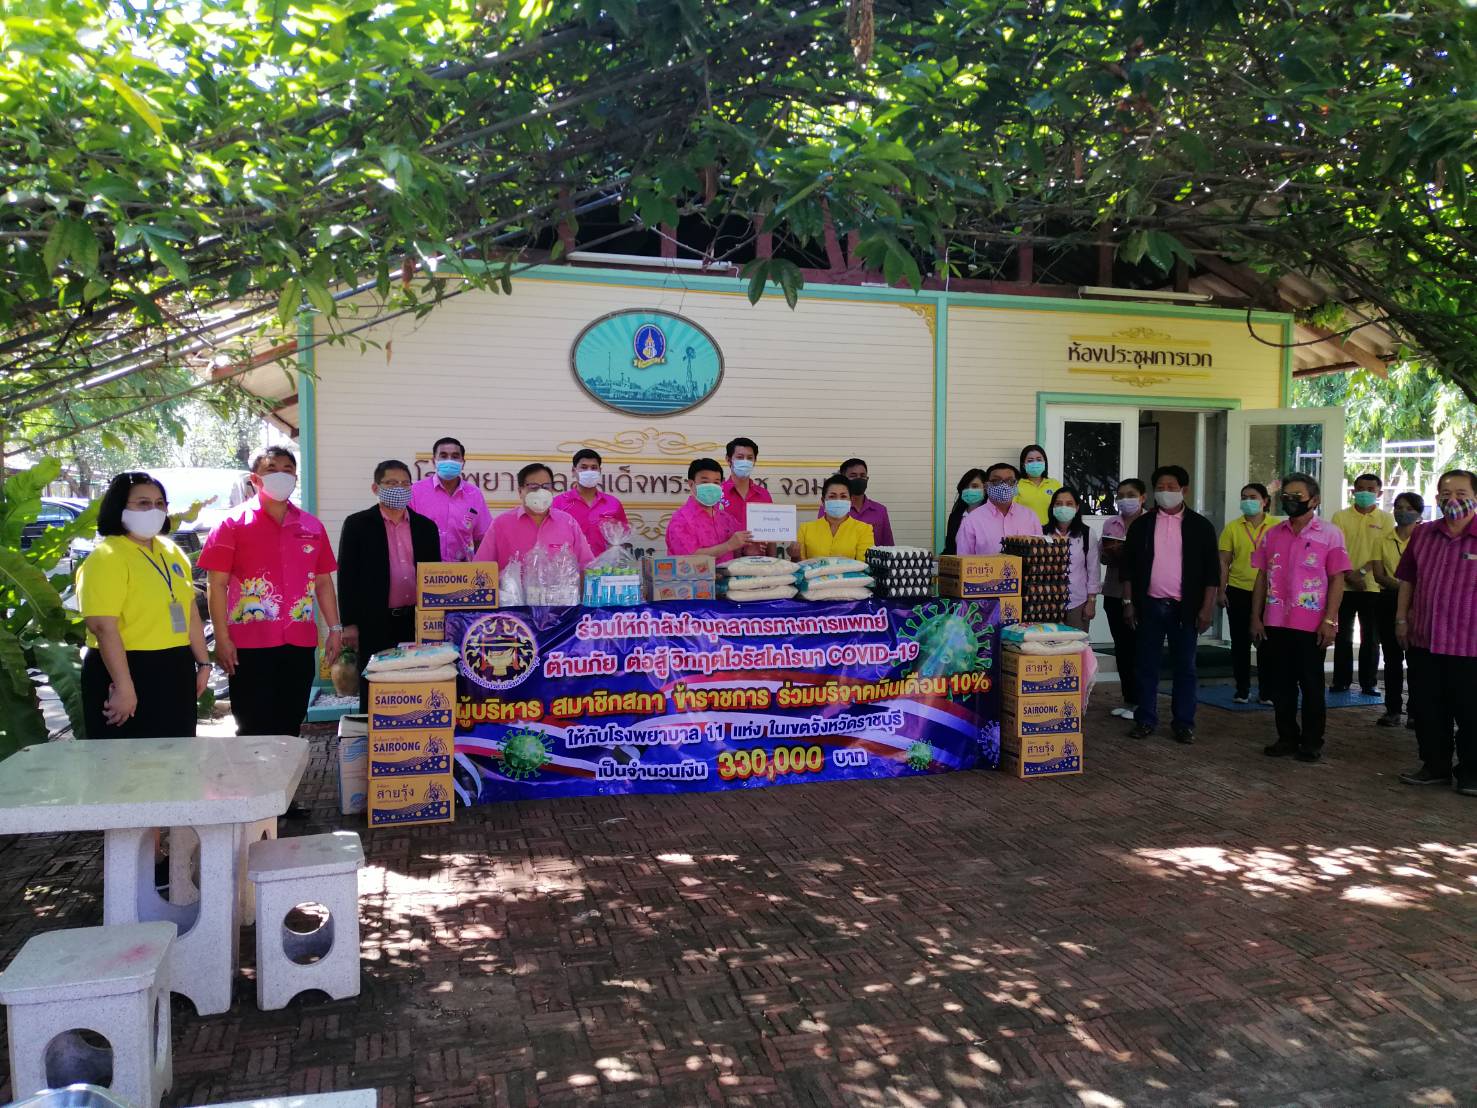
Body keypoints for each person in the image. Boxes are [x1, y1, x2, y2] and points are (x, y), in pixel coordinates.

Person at [199, 446, 342, 749]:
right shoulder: (231, 524)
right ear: (255, 478)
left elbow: (323, 582)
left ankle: (287, 782)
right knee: (253, 726)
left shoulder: (311, 526)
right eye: (271, 469)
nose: (281, 475)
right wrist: (221, 638)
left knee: (290, 723)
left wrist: (335, 629)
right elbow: (217, 585)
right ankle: (254, 781)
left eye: (288, 469)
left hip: (299, 643)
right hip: (249, 646)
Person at [78, 472, 212, 738]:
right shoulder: (106, 556)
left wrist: (204, 664)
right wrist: (124, 686)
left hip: (175, 665)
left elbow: (189, 611)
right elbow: (102, 627)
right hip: (125, 668)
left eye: (160, 503)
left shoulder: (171, 552)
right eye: (143, 503)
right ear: (119, 506)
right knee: (126, 757)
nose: (154, 510)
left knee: (177, 753)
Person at [1251, 474, 1350, 763]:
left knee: (1311, 684)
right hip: (1275, 621)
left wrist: (1330, 621)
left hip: (1311, 624)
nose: (1291, 501)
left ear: (1314, 500)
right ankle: (1286, 737)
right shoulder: (1273, 533)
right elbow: (1262, 576)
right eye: (1287, 496)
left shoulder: (1330, 534)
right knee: (1281, 685)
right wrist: (1255, 617)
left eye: (1297, 496)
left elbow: (1338, 579)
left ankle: (1311, 742)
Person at [1120, 465, 1219, 744]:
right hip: (1149, 606)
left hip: (1185, 608)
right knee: (1146, 665)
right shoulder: (1142, 525)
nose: (1165, 492)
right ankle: (1145, 719)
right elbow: (1128, 569)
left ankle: (1183, 723)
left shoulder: (1200, 526)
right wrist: (1128, 602)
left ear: (1184, 490)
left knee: (1185, 667)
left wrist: (1207, 609)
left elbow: (1212, 573)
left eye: (1171, 487)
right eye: (1160, 488)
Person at [1395, 469, 1477, 795]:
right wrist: (1401, 619)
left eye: (1461, 493)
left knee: (1471, 712)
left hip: (1470, 643)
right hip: (1425, 638)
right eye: (1446, 493)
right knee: (1428, 708)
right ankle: (1435, 766)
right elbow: (1407, 579)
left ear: (1475, 497)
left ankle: (1471, 773)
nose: (1452, 499)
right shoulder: (1423, 534)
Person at [337, 460, 442, 711]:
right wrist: (349, 624)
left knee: (416, 683)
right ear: (376, 488)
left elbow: (436, 575)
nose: (399, 488)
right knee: (375, 685)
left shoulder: (426, 527)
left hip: (416, 620)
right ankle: (371, 731)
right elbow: (347, 577)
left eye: (405, 483)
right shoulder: (357, 524)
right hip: (374, 621)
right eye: (392, 483)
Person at [1331, 472, 1394, 696]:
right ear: (1353, 490)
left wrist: (1362, 573)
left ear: (1379, 493)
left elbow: (1383, 552)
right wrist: (1349, 574)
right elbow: (1336, 549)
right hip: (1343, 585)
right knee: (1342, 636)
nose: (1365, 493)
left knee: (1371, 637)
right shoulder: (1340, 516)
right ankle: (1341, 681)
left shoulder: (1386, 519)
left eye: (1370, 490)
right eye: (1360, 489)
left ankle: (1369, 683)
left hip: (1373, 586)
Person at [1218, 483, 1277, 704]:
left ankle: (1266, 691)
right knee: (1240, 643)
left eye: (1253, 497)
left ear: (1265, 501)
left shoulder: (1277, 526)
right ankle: (1242, 689)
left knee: (1267, 644)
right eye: (1244, 497)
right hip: (1238, 590)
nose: (1247, 501)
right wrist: (1221, 590)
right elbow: (1223, 562)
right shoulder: (1232, 528)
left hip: (1269, 593)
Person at [474, 462, 593, 571]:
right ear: (520, 491)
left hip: (560, 589)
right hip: (512, 589)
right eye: (534, 487)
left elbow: (586, 566)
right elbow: (481, 568)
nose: (541, 492)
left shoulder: (568, 522)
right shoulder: (501, 524)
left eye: (546, 487)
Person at [1372, 492, 1423, 728]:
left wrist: (1410, 589)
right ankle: (1392, 710)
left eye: (1409, 508)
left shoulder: (1424, 539)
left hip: (1418, 602)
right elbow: (1379, 575)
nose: (1402, 512)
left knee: (1416, 660)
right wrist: (1404, 586)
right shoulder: (1382, 539)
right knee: (1392, 659)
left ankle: (1415, 712)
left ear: (1419, 513)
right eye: (1399, 507)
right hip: (1387, 601)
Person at [1101, 479, 1145, 720]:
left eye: (1131, 494)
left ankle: (1142, 702)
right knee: (1122, 648)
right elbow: (1102, 557)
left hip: (1141, 593)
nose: (1125, 499)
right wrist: (1110, 552)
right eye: (1121, 495)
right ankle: (1129, 699)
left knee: (1139, 648)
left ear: (1142, 497)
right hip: (1113, 591)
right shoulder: (1111, 523)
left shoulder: (1150, 522)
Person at [408, 436, 491, 562]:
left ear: (463, 463)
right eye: (443, 455)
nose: (449, 460)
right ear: (434, 461)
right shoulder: (415, 491)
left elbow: (482, 537)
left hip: (462, 570)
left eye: (455, 456)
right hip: (424, 569)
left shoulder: (474, 494)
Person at [667, 458, 753, 563]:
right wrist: (728, 545)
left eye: (716, 482)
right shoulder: (680, 520)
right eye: (705, 482)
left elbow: (737, 550)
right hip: (697, 574)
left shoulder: (725, 518)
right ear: (691, 484)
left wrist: (747, 548)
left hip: (729, 573)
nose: (711, 487)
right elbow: (687, 559)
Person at [551, 448, 630, 557]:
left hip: (605, 565)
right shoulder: (558, 503)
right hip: (571, 565)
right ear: (573, 471)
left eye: (594, 468)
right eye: (584, 467)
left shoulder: (613, 504)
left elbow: (623, 536)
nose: (589, 471)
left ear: (599, 471)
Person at [956, 463, 1041, 555]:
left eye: (1010, 481)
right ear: (986, 486)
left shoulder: (1030, 517)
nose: (1003, 485)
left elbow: (1040, 553)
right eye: (996, 481)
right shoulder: (971, 520)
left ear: (1016, 485)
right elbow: (963, 559)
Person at [1045, 486, 1100, 631]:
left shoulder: (1087, 534)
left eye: (1069, 504)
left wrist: (1092, 601)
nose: (1063, 508)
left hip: (1077, 602)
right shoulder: (1042, 532)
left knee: (1077, 643)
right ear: (1052, 507)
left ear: (1077, 507)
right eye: (1058, 504)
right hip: (1046, 603)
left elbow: (1093, 570)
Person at [814, 458, 894, 546]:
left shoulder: (880, 510)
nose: (859, 479)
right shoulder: (830, 508)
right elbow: (821, 540)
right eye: (853, 476)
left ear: (867, 479)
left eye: (862, 476)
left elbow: (888, 545)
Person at [798, 474, 876, 560]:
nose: (838, 500)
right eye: (832, 496)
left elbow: (864, 564)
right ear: (823, 501)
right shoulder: (805, 529)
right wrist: (794, 555)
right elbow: (799, 564)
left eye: (843, 496)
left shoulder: (864, 529)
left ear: (850, 501)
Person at [720, 436, 772, 554]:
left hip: (758, 562)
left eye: (749, 458)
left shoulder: (764, 495)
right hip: (724, 561)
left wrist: (773, 561)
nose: (745, 462)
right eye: (740, 457)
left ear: (754, 461)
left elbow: (771, 535)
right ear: (728, 459)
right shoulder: (717, 494)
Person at [941, 468, 987, 556]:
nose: (969, 490)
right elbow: (950, 549)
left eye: (975, 486)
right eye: (966, 487)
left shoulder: (991, 517)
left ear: (985, 489)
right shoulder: (955, 517)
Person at [1014, 444, 1063, 525]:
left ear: (1044, 462)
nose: (1035, 463)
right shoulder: (1016, 485)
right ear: (1023, 465)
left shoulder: (1055, 484)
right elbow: (1011, 511)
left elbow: (1062, 509)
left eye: (1039, 459)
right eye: (1030, 460)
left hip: (1050, 530)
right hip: (1025, 531)